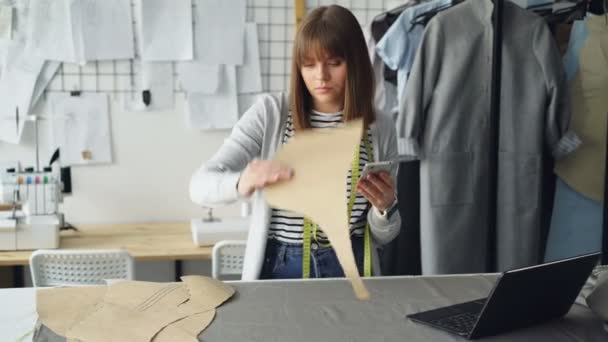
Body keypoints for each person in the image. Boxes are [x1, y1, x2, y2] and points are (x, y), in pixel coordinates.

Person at [189, 5, 401, 281]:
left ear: (356, 62)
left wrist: (385, 209)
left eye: (334, 62)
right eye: (309, 64)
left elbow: (383, 235)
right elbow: (199, 186)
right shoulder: (272, 113)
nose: (320, 76)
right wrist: (243, 181)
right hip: (281, 266)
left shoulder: (379, 127)